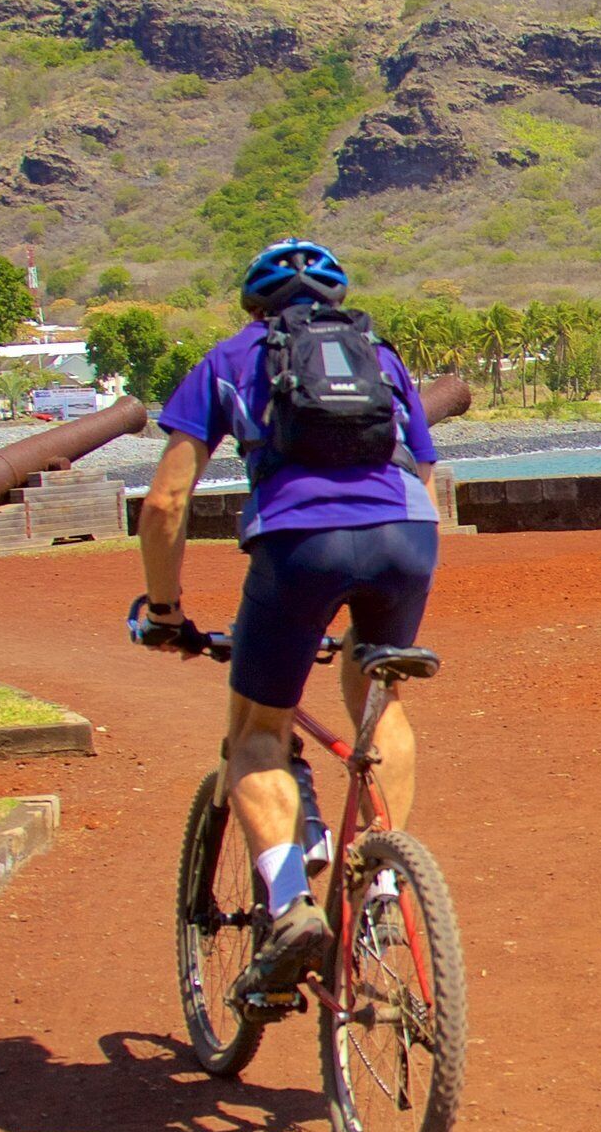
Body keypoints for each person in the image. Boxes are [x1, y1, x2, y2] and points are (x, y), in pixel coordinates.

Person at [131, 239, 441, 999]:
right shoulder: (381, 357)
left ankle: (290, 907)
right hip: (407, 535)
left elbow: (166, 502)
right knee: (377, 691)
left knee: (257, 734)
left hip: (301, 545)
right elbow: (424, 470)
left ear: (254, 305)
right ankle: (376, 883)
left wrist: (166, 610)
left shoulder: (230, 361)